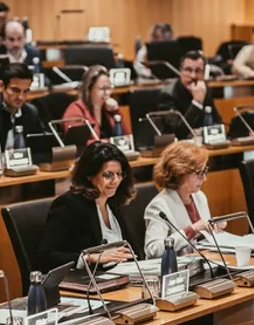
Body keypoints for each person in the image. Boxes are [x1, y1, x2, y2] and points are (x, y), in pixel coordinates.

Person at [38, 142, 137, 272]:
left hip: (123, 276)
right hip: (87, 282)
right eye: (108, 175)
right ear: (90, 175)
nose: (116, 181)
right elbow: (45, 258)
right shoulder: (69, 205)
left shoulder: (114, 202)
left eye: (119, 174)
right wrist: (89, 258)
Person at [143, 141, 224, 258]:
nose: (204, 178)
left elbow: (200, 239)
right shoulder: (159, 206)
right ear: (180, 173)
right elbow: (153, 250)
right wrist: (191, 230)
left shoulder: (199, 196)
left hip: (202, 263)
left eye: (204, 171)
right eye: (199, 173)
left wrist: (213, 227)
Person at [157, 51, 222, 138]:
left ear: (203, 73)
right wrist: (196, 103)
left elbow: (217, 121)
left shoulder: (205, 89)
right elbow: (177, 132)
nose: (193, 76)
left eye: (198, 71)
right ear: (180, 71)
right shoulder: (168, 95)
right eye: (188, 70)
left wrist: (203, 132)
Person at [62, 65, 130, 137]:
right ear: (89, 89)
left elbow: (128, 136)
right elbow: (80, 142)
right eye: (102, 89)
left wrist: (116, 112)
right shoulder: (75, 111)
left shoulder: (109, 110)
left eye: (109, 88)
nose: (107, 93)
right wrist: (109, 142)